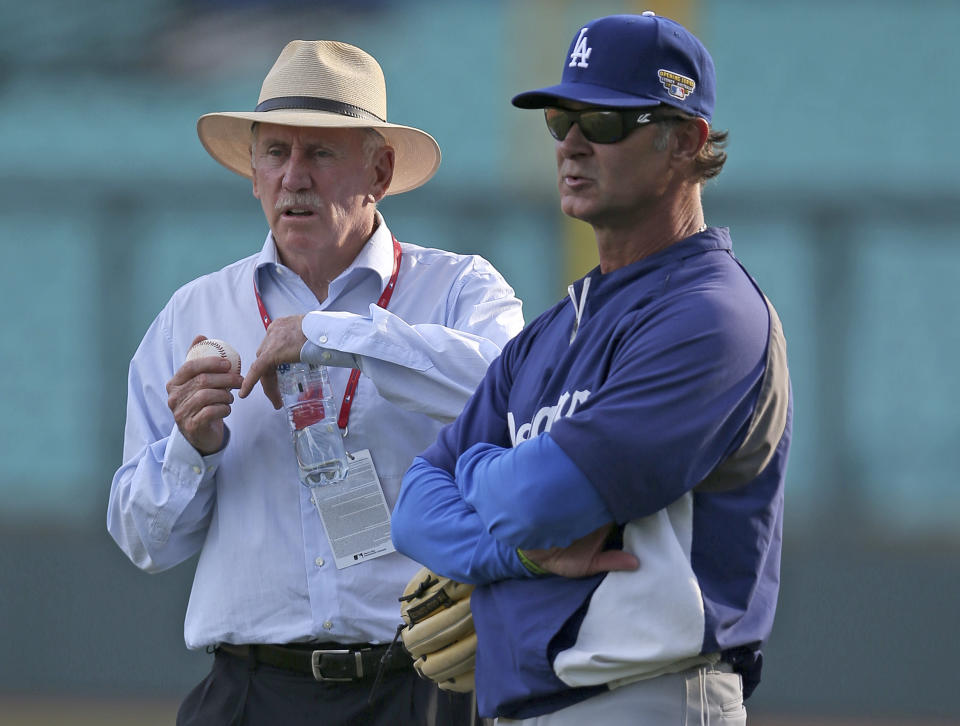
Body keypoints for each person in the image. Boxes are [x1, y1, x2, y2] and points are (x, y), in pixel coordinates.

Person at [107, 39, 524, 726]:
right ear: (253, 172)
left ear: (381, 170)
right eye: (275, 152)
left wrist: (330, 337)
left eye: (322, 152)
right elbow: (144, 541)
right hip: (251, 691)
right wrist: (192, 449)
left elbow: (507, 391)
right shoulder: (194, 313)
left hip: (421, 689)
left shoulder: (460, 288)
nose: (293, 176)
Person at [392, 12, 791, 725]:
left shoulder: (712, 316)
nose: (571, 144)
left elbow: (535, 503)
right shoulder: (547, 335)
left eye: (605, 121)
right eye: (559, 119)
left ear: (686, 140)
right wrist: (527, 559)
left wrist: (479, 469)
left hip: (646, 698)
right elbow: (416, 509)